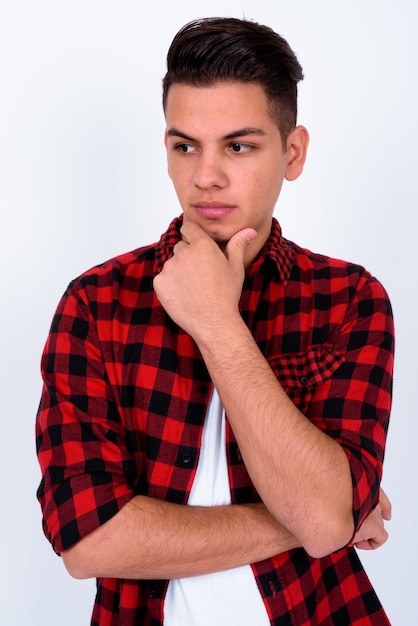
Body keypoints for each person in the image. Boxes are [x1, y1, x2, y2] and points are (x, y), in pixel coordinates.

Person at [36, 17, 394, 626]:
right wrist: (317, 520)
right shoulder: (96, 303)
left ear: (294, 152)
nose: (206, 176)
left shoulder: (349, 298)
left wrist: (216, 324)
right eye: (185, 146)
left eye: (239, 145)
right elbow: (88, 541)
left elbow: (326, 519)